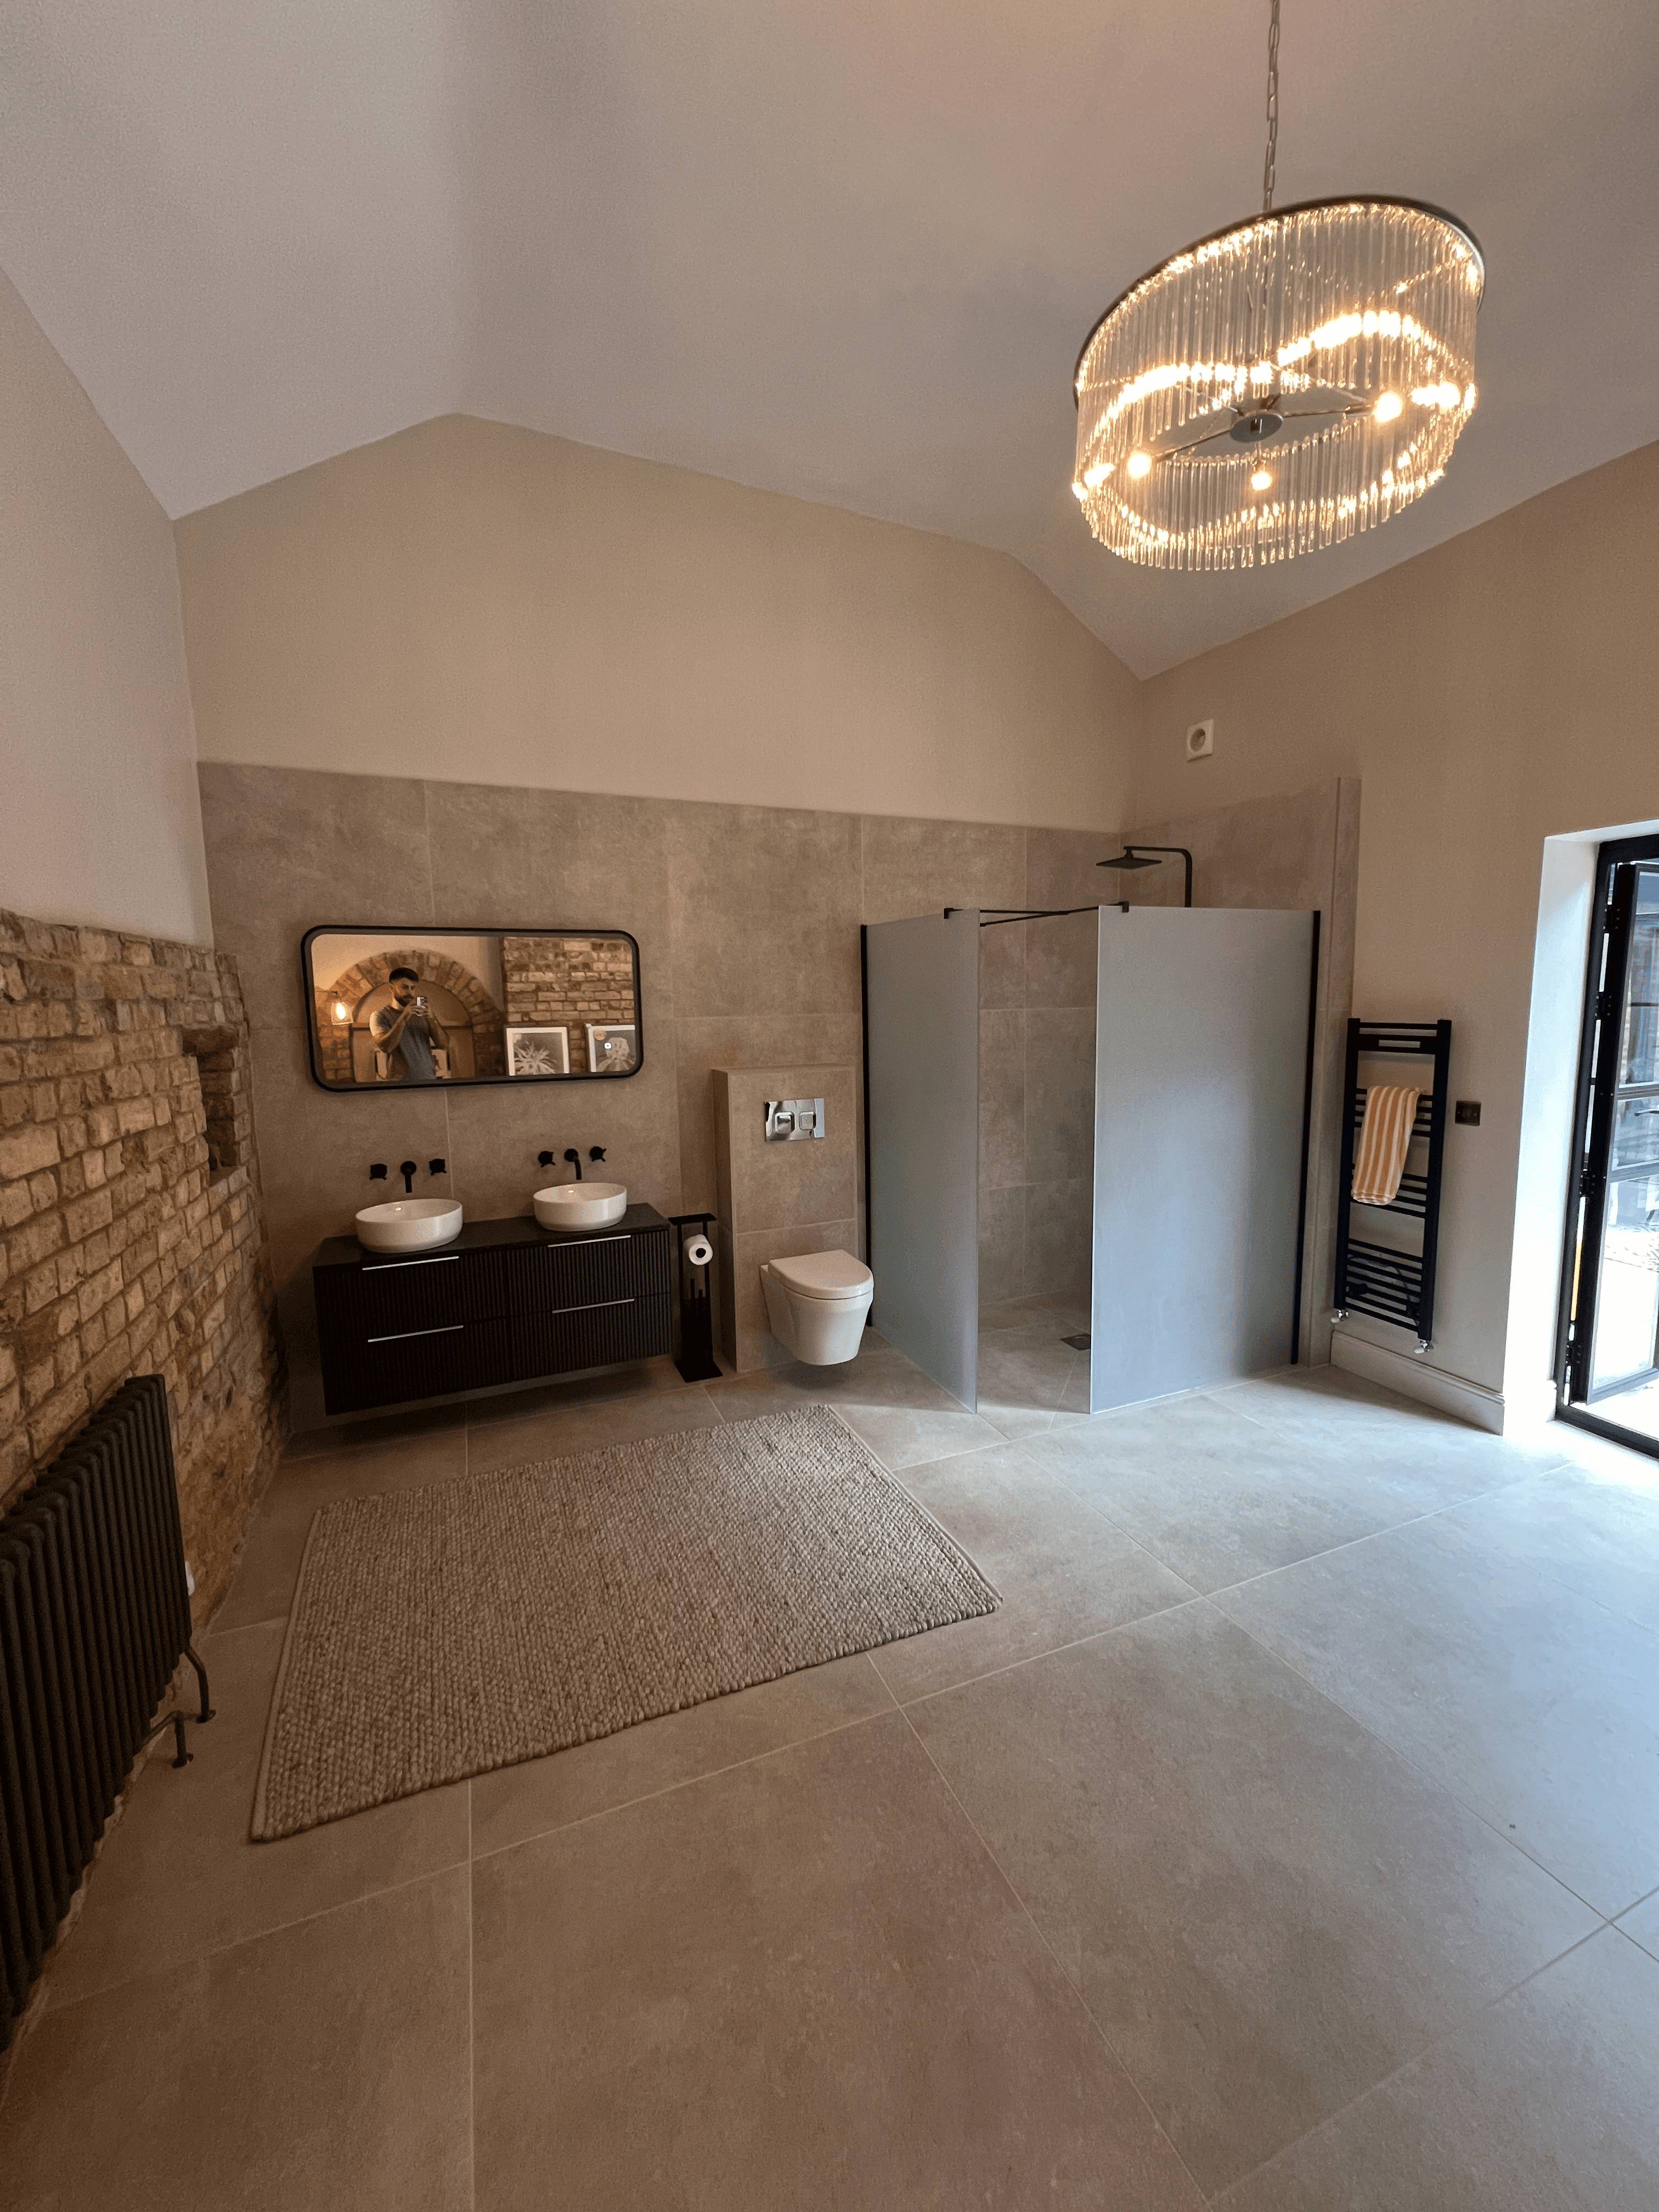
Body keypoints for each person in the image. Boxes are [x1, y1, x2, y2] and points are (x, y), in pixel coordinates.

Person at [369, 968, 449, 1082]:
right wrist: (404, 1017)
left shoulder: (422, 1014)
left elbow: (444, 1045)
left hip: (429, 1080)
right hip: (398, 1083)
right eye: (405, 987)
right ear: (391, 988)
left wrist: (433, 1020)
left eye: (413, 988)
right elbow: (386, 1047)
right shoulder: (379, 1015)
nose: (410, 992)